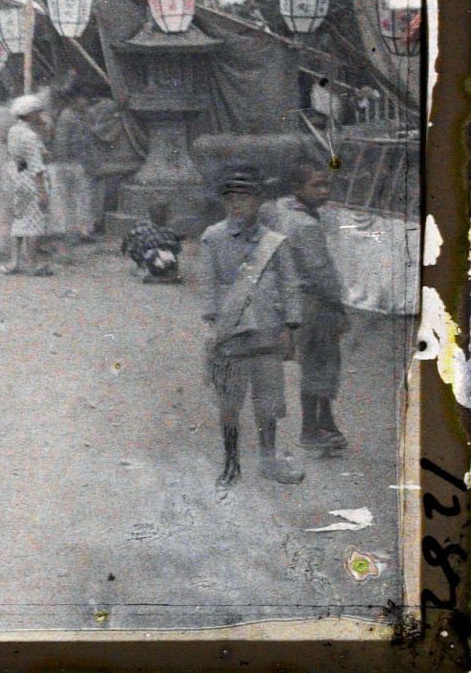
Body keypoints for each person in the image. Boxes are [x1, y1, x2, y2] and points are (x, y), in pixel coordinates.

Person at [199, 167, 305, 485]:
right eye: (231, 199)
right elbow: (208, 287)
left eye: (244, 198)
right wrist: (212, 328)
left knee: (269, 401)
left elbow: (289, 285)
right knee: (230, 402)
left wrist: (290, 326)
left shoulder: (275, 243)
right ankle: (231, 463)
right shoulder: (213, 238)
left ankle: (268, 459)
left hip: (268, 331)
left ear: (258, 202)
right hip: (231, 333)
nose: (237, 205)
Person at [264, 161, 350, 457]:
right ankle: (311, 429)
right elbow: (321, 272)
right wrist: (338, 307)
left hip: (298, 302)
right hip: (315, 302)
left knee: (316, 364)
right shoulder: (305, 225)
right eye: (316, 185)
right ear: (297, 189)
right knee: (320, 364)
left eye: (326, 184)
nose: (324, 191)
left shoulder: (285, 213)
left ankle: (324, 422)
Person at [2, 93, 54, 276]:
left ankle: (14, 261)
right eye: (38, 112)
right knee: (34, 223)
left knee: (19, 219)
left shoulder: (14, 131)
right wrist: (42, 192)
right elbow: (37, 167)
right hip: (32, 181)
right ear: (31, 114)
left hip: (19, 178)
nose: (41, 116)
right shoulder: (30, 136)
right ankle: (32, 263)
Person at [49, 93, 96, 241]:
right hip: (69, 163)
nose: (86, 102)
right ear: (75, 99)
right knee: (72, 198)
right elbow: (62, 143)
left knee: (79, 198)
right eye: (84, 99)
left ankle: (79, 231)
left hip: (73, 162)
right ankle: (70, 232)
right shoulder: (68, 116)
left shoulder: (76, 115)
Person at [121, 202, 184, 282]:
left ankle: (144, 269)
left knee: (141, 249)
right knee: (170, 256)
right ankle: (170, 273)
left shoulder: (141, 230)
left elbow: (128, 242)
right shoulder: (170, 231)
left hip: (151, 258)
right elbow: (177, 249)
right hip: (165, 259)